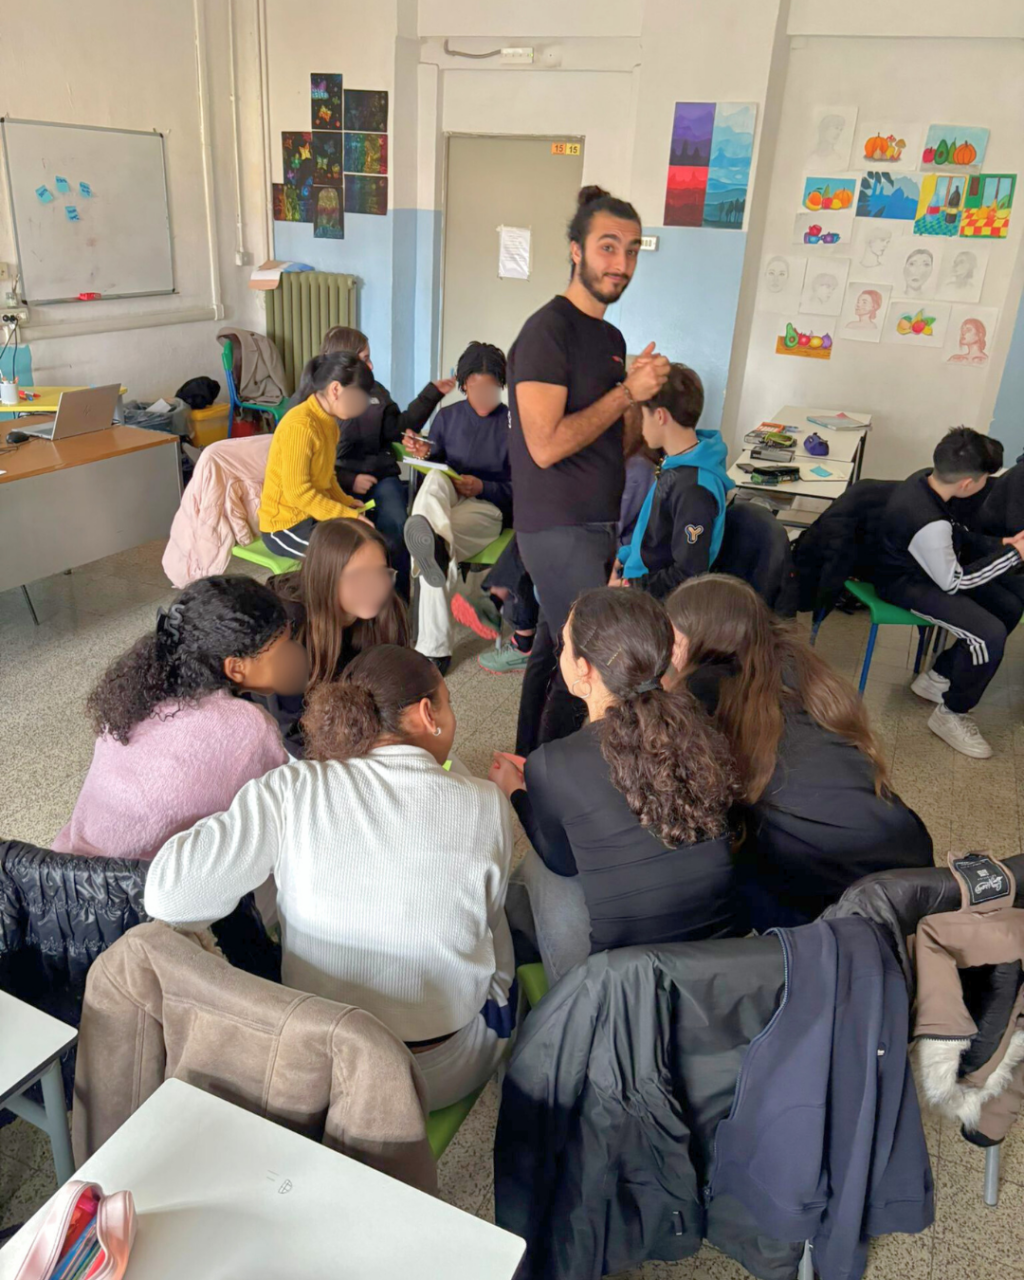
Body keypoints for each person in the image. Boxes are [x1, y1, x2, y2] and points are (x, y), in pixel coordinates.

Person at [145, 644, 515, 1111]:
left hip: (319, 1070)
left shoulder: (292, 788)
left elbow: (166, 896)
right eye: (448, 703)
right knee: (498, 917)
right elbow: (481, 916)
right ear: (428, 713)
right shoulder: (486, 803)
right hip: (436, 1074)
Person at [489, 588, 740, 983]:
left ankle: (519, 977)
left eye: (564, 645)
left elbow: (562, 862)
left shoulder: (554, 762)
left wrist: (515, 791)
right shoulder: (703, 732)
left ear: (584, 670)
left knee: (536, 871)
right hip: (721, 965)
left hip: (622, 988)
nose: (559, 654)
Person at [665, 574, 934, 929]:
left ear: (705, 638)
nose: (668, 649)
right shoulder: (793, 662)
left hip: (845, 898)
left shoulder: (704, 689)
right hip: (909, 856)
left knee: (713, 878)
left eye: (674, 638)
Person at [508, 184, 669, 754]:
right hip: (557, 526)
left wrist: (634, 398)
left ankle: (528, 767)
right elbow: (545, 445)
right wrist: (626, 391)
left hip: (595, 522)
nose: (621, 263)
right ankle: (560, 783)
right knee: (591, 667)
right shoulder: (547, 331)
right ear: (576, 250)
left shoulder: (609, 336)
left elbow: (609, 440)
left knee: (554, 654)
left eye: (631, 250)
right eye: (607, 247)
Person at [53, 577, 306, 860]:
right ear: (236, 668)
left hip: (64, 865)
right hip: (147, 881)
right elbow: (273, 812)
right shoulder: (251, 727)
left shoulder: (135, 696)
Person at [876, 427, 1024, 759]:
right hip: (905, 584)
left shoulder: (926, 480)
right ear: (968, 484)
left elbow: (957, 535)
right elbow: (957, 583)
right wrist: (1014, 555)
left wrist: (1000, 544)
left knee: (1009, 606)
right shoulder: (929, 522)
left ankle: (940, 675)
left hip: (926, 570)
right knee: (987, 636)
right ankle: (952, 713)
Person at [290, 326, 457, 596]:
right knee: (346, 544)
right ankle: (349, 601)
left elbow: (398, 428)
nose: (371, 365)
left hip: (380, 476)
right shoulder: (313, 405)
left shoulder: (375, 390)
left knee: (396, 527)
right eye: (365, 359)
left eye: (370, 358)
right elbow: (307, 471)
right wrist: (350, 479)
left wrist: (431, 393)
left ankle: (397, 602)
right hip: (333, 485)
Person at [401, 341, 513, 675]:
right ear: (463, 386)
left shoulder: (514, 424)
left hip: (487, 508)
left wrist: (483, 487)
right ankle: (431, 545)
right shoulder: (447, 417)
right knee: (436, 481)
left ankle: (433, 650)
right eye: (476, 389)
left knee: (436, 546)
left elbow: (523, 489)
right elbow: (434, 470)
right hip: (446, 503)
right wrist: (425, 454)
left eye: (491, 389)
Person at [264, 518, 408, 753]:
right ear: (327, 578)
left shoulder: (390, 609)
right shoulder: (288, 633)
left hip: (343, 723)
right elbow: (291, 732)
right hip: (283, 736)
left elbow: (395, 690)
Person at [612, 364, 733, 598]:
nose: (639, 425)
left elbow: (688, 575)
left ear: (660, 416)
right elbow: (652, 537)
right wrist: (622, 558)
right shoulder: (676, 462)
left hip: (653, 599)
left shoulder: (695, 488)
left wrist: (629, 586)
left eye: (642, 416)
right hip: (638, 579)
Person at [259, 352, 374, 560]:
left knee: (366, 541)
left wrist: (345, 502)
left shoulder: (329, 423)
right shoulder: (301, 425)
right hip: (284, 527)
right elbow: (298, 494)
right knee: (346, 558)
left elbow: (327, 477)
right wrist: (347, 514)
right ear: (335, 389)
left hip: (311, 516)